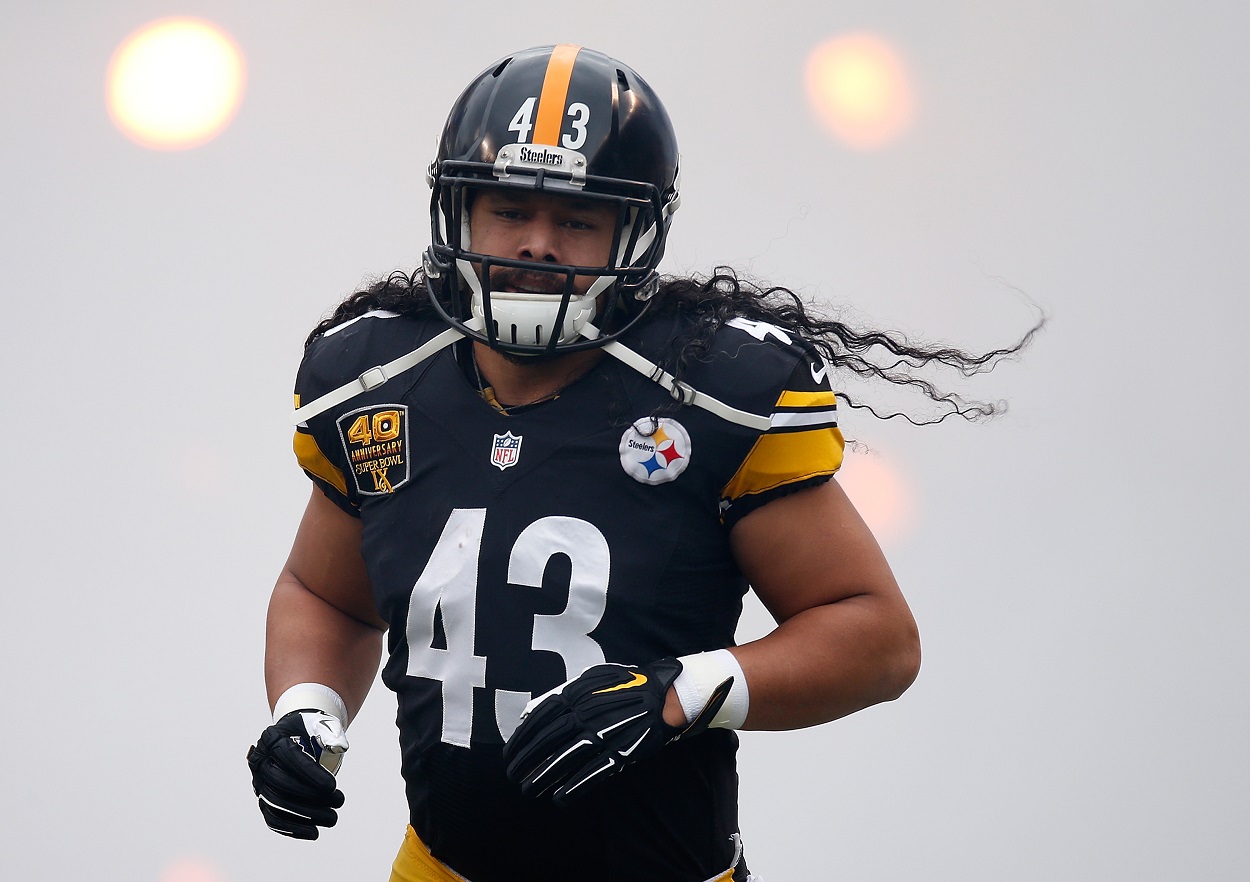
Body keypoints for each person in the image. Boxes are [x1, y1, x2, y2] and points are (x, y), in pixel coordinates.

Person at [246, 44, 1032, 881]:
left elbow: (878, 640)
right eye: (511, 210)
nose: (539, 245)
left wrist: (682, 694)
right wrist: (307, 706)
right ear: (460, 213)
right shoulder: (375, 382)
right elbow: (325, 594)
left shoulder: (714, 394)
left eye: (578, 221)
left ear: (637, 232)